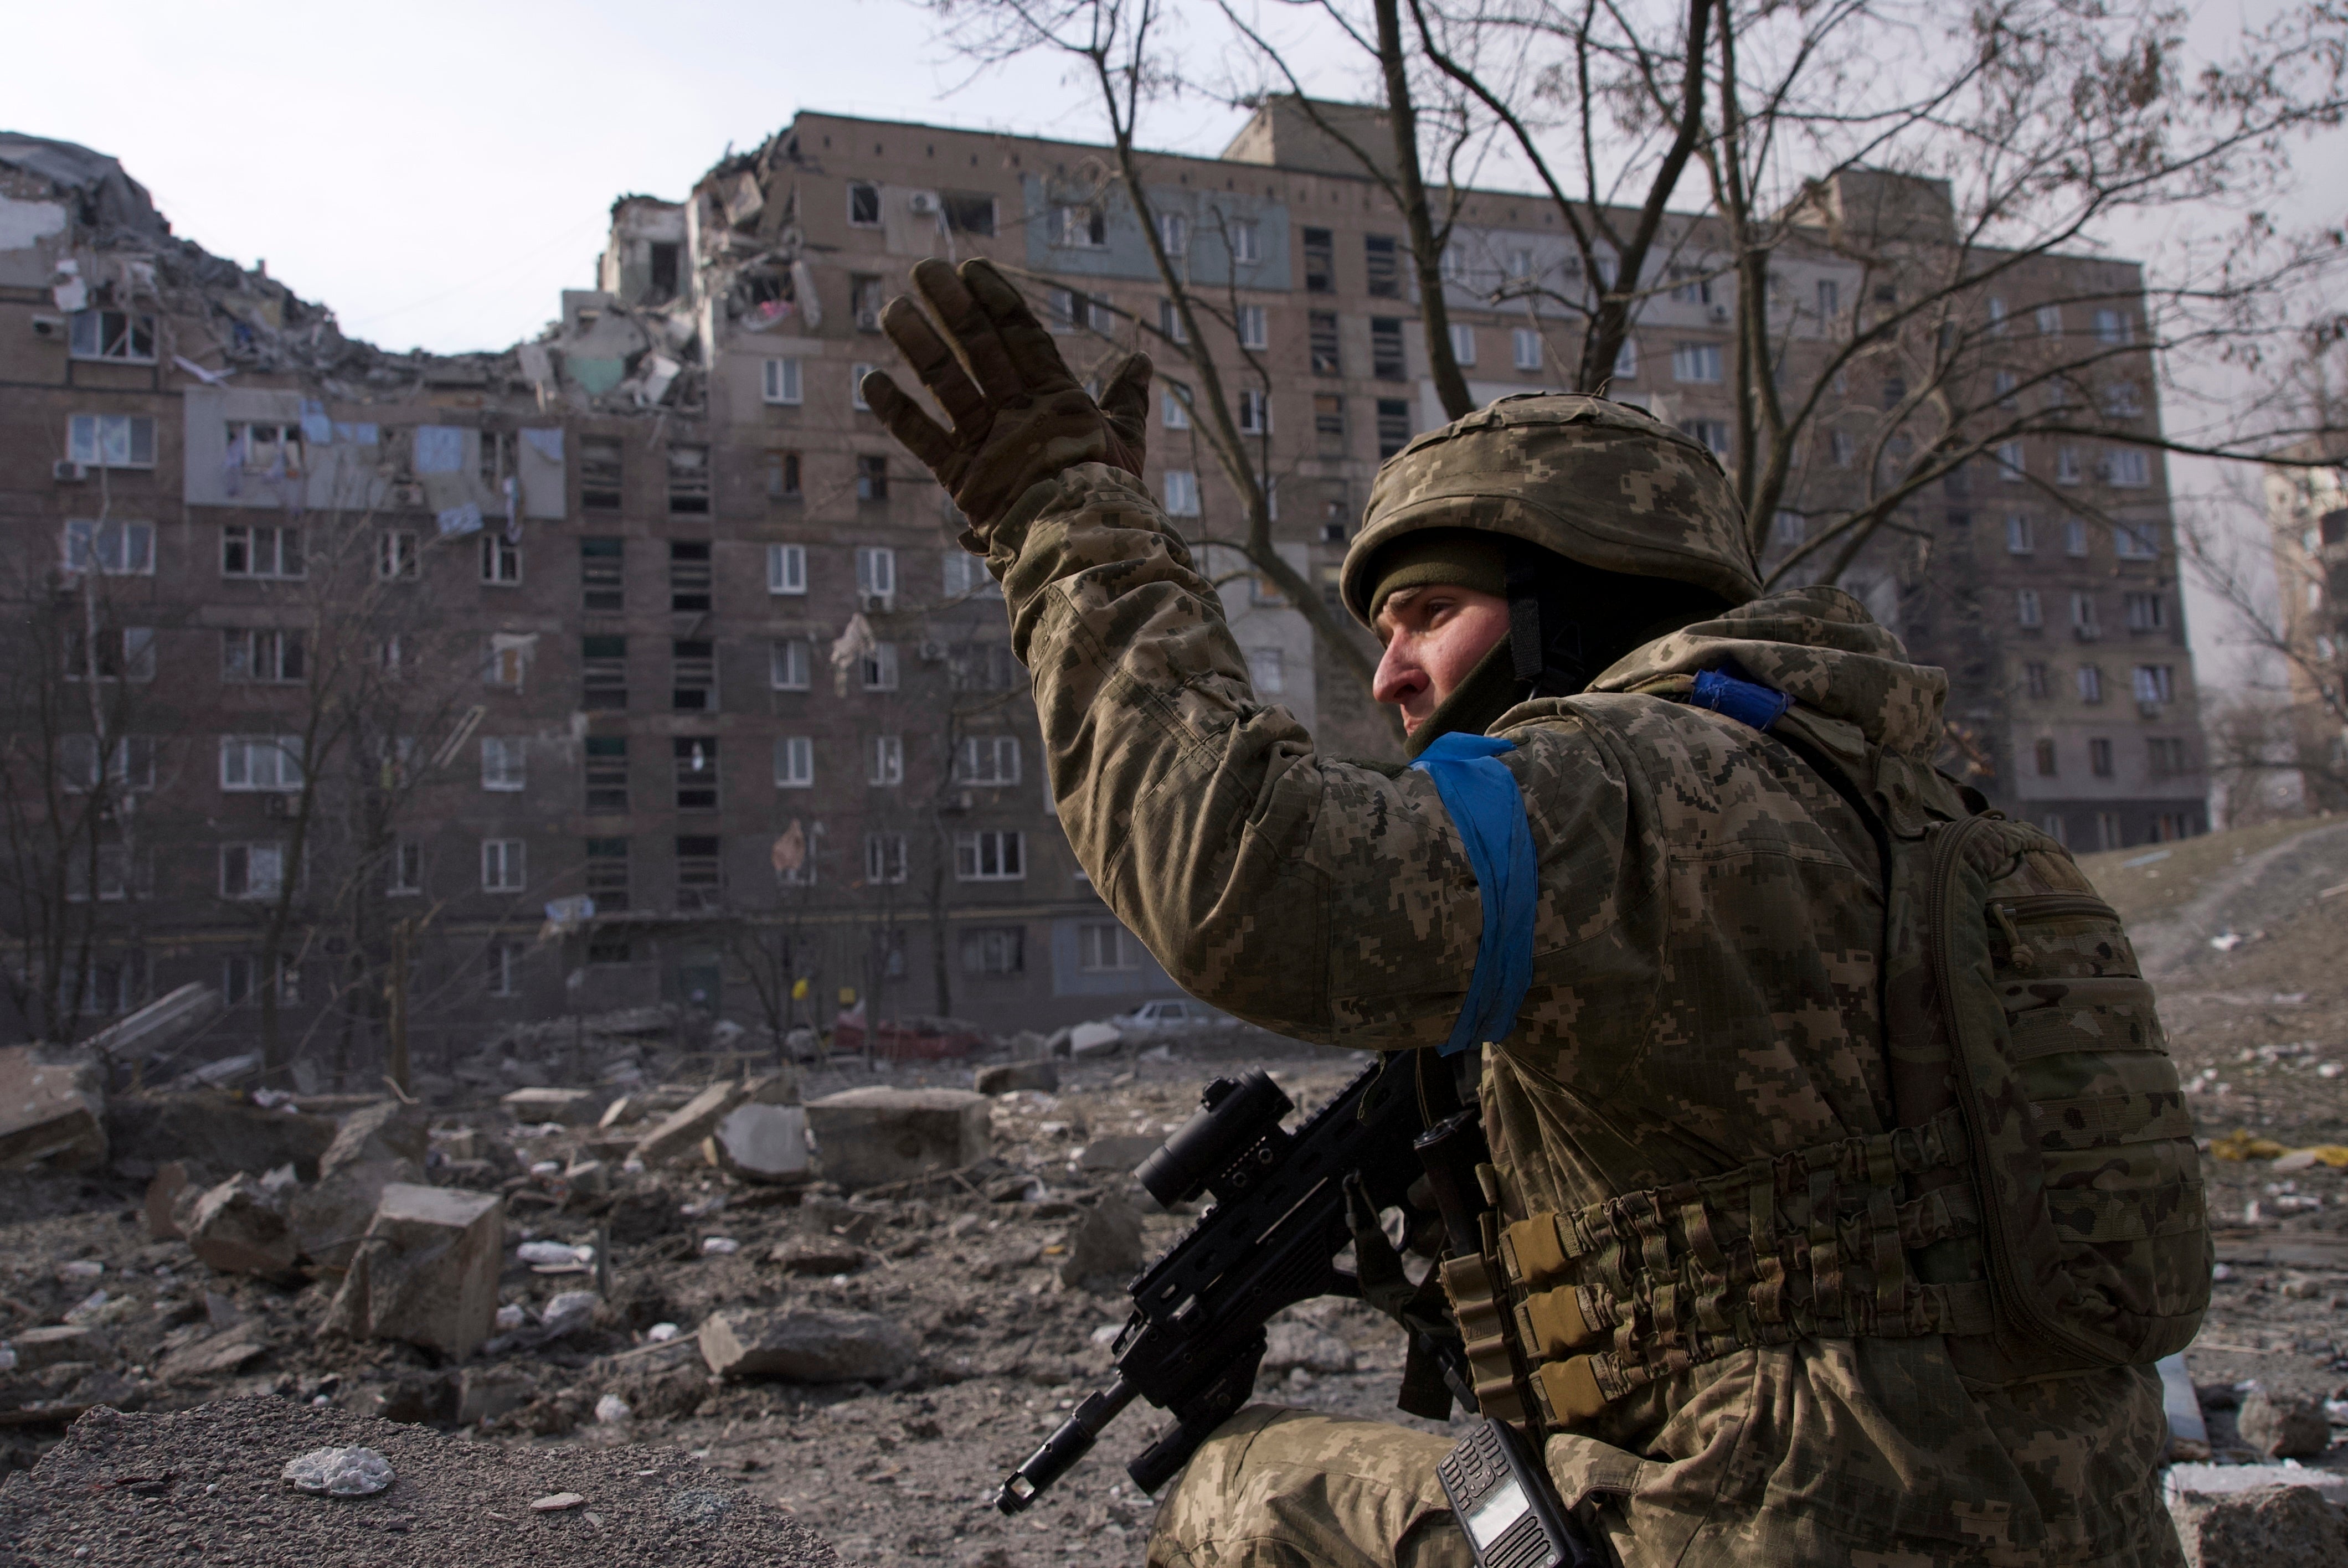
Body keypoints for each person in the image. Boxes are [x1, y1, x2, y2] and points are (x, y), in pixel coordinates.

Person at [862, 257, 2186, 1568]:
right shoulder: (1924, 813)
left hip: (1773, 1523)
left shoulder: (1625, 783)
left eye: (1427, 615)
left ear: (1575, 604)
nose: (1389, 674)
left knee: (1235, 1494)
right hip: (2067, 1520)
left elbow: (1244, 879)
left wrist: (1066, 522)